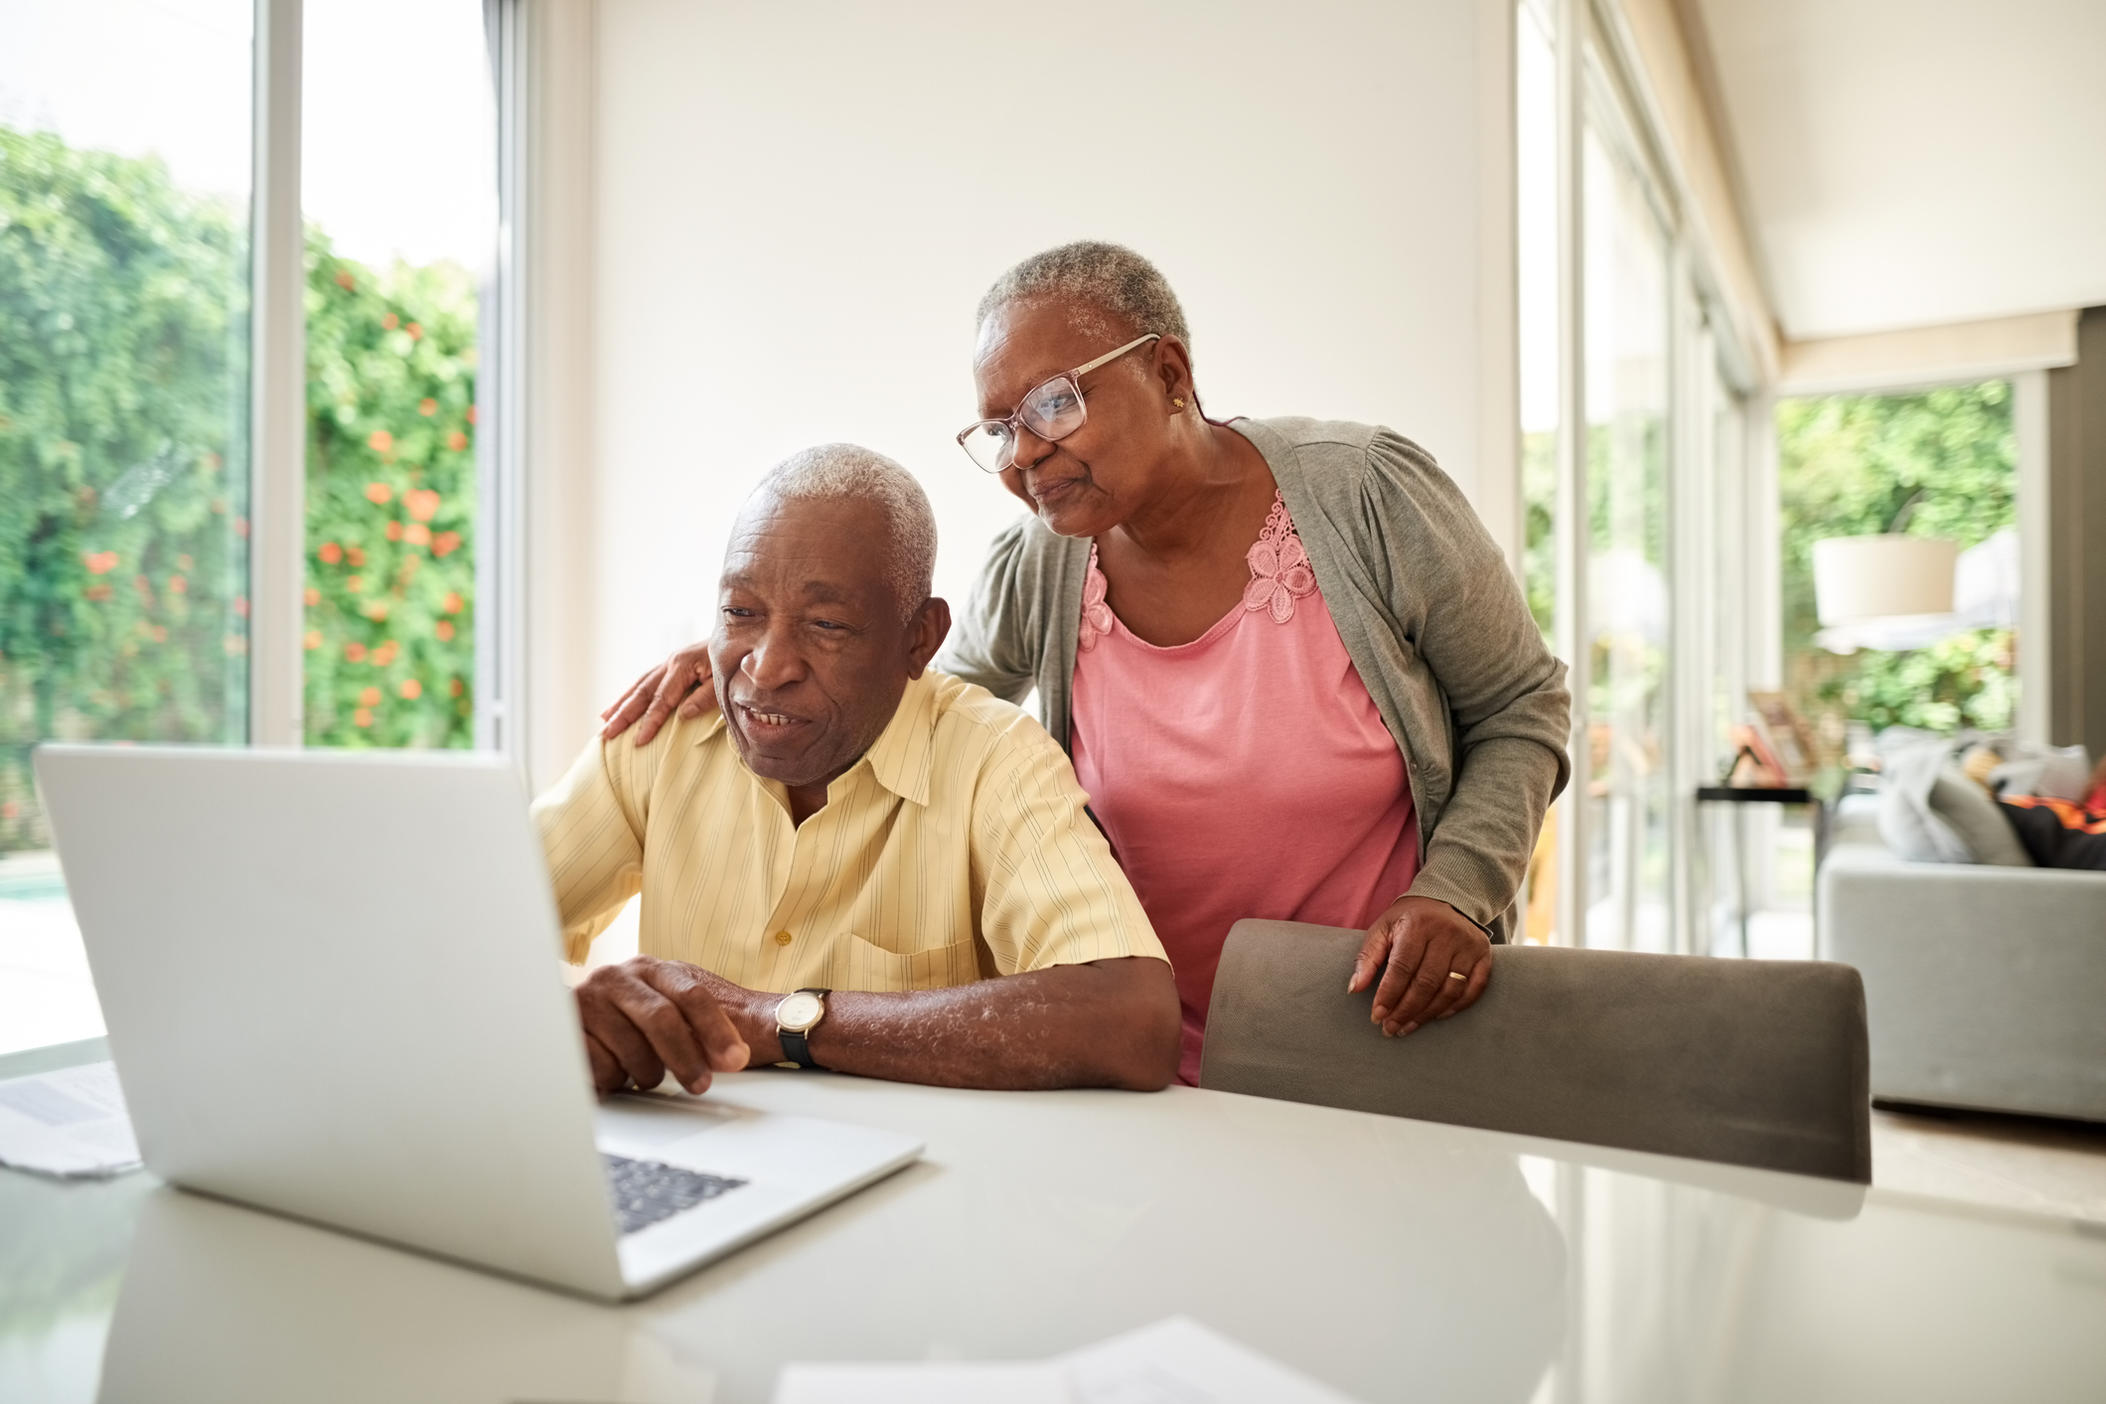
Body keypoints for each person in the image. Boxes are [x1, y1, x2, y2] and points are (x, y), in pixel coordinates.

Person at [602, 244, 1571, 1084]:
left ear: (1171, 373)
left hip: (1376, 1028)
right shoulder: (1045, 564)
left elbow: (1524, 706)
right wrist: (756, 643)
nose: (1023, 455)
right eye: (998, 428)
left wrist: (1454, 892)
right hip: (1130, 1053)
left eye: (1054, 404)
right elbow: (918, 703)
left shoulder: (1366, 497)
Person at [536, 443, 1179, 1095]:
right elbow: (460, 937)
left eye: (825, 624)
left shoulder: (994, 760)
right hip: (698, 1163)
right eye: (740, 613)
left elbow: (1132, 1020)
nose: (766, 665)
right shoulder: (661, 735)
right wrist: (581, 1011)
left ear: (919, 638)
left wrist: (776, 1021)